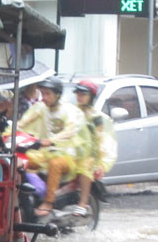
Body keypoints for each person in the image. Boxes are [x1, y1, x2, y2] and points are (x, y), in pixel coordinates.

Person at [18, 76, 88, 217]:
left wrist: (52, 140)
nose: (44, 97)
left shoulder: (69, 111)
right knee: (21, 162)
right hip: (44, 153)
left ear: (58, 95)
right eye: (42, 93)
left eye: (48, 94)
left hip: (67, 156)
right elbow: (23, 122)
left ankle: (48, 203)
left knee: (55, 164)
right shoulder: (40, 108)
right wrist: (9, 133)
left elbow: (71, 130)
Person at [74, 80, 118, 215]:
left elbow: (99, 140)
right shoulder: (71, 111)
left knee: (85, 167)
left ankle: (83, 202)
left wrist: (99, 163)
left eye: (83, 94)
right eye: (78, 93)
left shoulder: (95, 117)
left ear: (91, 97)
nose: (79, 96)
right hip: (69, 150)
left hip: (88, 155)